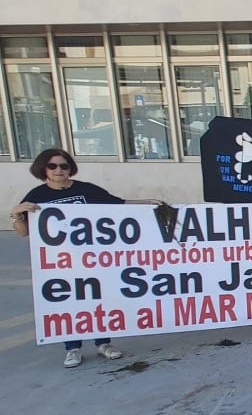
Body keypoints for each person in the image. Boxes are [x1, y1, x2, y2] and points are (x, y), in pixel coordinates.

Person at [9, 148, 154, 368]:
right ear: (43, 169)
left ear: (70, 169)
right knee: (69, 303)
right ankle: (72, 348)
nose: (59, 170)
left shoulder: (87, 191)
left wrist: (149, 204)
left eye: (64, 166)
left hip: (92, 260)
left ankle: (104, 343)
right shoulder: (37, 197)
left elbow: (119, 205)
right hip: (60, 263)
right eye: (53, 166)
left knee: (97, 300)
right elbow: (23, 231)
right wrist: (16, 212)